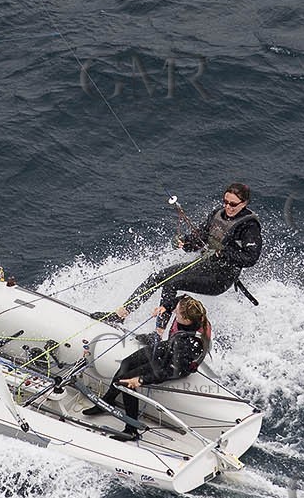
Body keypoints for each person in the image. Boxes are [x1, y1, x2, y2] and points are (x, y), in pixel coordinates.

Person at [99, 182, 262, 330]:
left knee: (171, 284)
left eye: (233, 204)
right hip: (204, 266)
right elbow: (201, 237)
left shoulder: (249, 226)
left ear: (244, 204)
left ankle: (157, 334)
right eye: (225, 202)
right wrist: (185, 242)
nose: (228, 207)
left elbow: (250, 259)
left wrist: (224, 251)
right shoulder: (217, 214)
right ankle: (120, 315)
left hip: (221, 277)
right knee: (158, 276)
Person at [83, 297, 212, 438]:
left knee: (127, 381)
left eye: (177, 313)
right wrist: (166, 306)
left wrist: (141, 380)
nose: (174, 311)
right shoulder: (189, 306)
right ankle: (107, 401)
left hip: (177, 364)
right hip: (170, 346)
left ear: (187, 320)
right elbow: (179, 301)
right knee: (126, 363)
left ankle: (131, 429)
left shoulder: (192, 343)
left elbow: (171, 370)